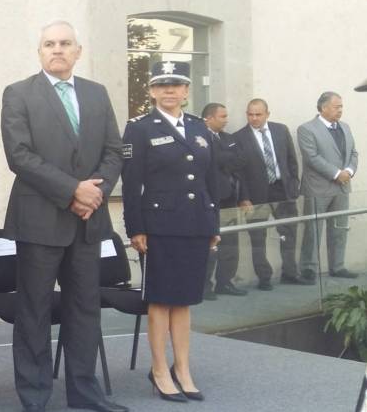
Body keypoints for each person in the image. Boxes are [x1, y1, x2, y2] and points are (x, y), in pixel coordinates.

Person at [1, 21, 126, 412]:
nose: (57, 49)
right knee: (35, 312)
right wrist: (73, 190)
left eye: (65, 43)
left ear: (78, 51)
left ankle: (85, 394)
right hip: (40, 222)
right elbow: (19, 156)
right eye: (49, 44)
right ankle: (35, 398)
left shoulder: (96, 93)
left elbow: (113, 150)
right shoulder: (19, 93)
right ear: (39, 52)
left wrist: (96, 193)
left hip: (88, 222)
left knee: (85, 310)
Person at [122, 61, 220, 403]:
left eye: (176, 85)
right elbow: (132, 185)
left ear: (187, 91)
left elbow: (211, 180)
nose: (169, 91)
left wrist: (213, 224)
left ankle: (183, 369)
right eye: (161, 85)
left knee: (185, 301)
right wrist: (135, 228)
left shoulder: (198, 127)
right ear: (150, 91)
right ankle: (160, 369)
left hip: (195, 225)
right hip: (159, 227)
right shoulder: (139, 128)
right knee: (161, 301)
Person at [234, 99, 304, 289]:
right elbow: (239, 173)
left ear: (267, 114)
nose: (254, 118)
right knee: (258, 237)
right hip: (256, 196)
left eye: (258, 114)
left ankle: (290, 273)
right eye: (250, 114)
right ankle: (264, 277)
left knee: (288, 232)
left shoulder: (281, 130)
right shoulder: (239, 137)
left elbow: (291, 160)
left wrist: (294, 184)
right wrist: (244, 197)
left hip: (282, 190)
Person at [298, 91, 360, 279]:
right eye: (336, 106)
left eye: (341, 106)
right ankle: (309, 268)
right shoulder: (307, 129)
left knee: (340, 228)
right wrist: (336, 174)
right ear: (323, 108)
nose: (340, 110)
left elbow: (353, 153)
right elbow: (311, 157)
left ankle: (337, 266)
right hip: (318, 188)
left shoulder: (345, 127)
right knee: (313, 230)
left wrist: (348, 172)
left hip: (342, 187)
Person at [200, 103, 249, 299]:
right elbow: (213, 160)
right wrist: (225, 158)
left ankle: (225, 282)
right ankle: (204, 286)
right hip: (209, 199)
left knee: (230, 242)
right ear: (209, 118)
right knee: (209, 244)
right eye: (222, 116)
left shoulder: (229, 138)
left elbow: (241, 162)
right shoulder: (199, 138)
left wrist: (244, 197)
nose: (226, 119)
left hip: (229, 197)